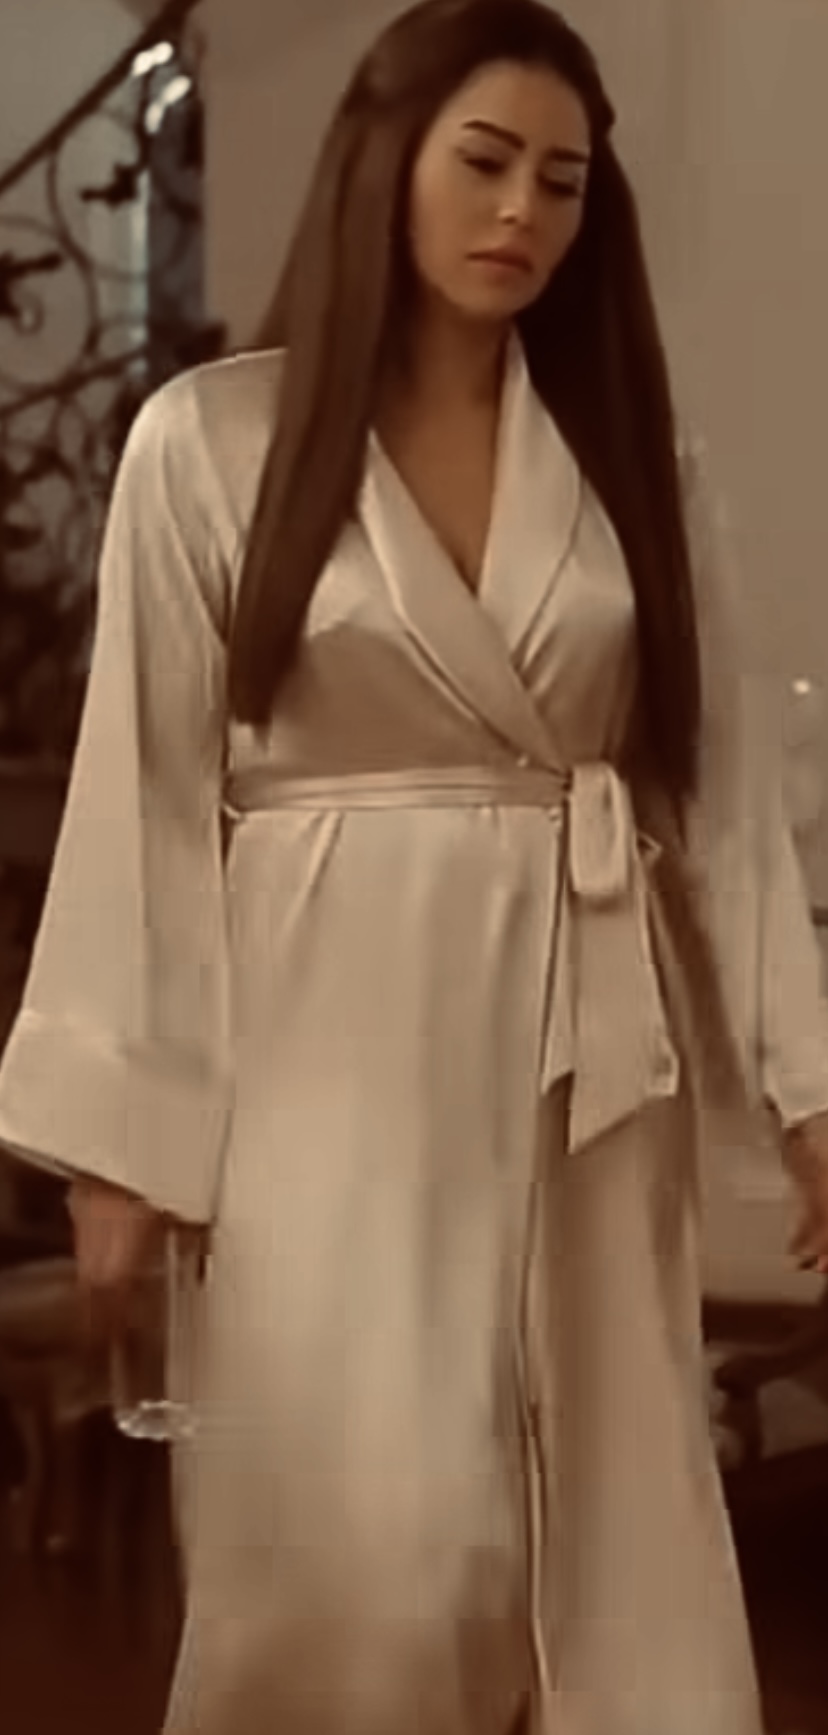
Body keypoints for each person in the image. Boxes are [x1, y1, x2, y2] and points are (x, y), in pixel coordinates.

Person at [1, 1, 827, 1729]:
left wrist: (807, 1087)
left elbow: (719, 801)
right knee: (374, 1546)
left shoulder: (632, 464)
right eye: (486, 161)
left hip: (582, 1066)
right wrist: (120, 1142)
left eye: (563, 183)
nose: (521, 210)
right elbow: (143, 794)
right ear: (386, 159)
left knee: (603, 1533)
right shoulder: (211, 447)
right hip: (321, 1054)